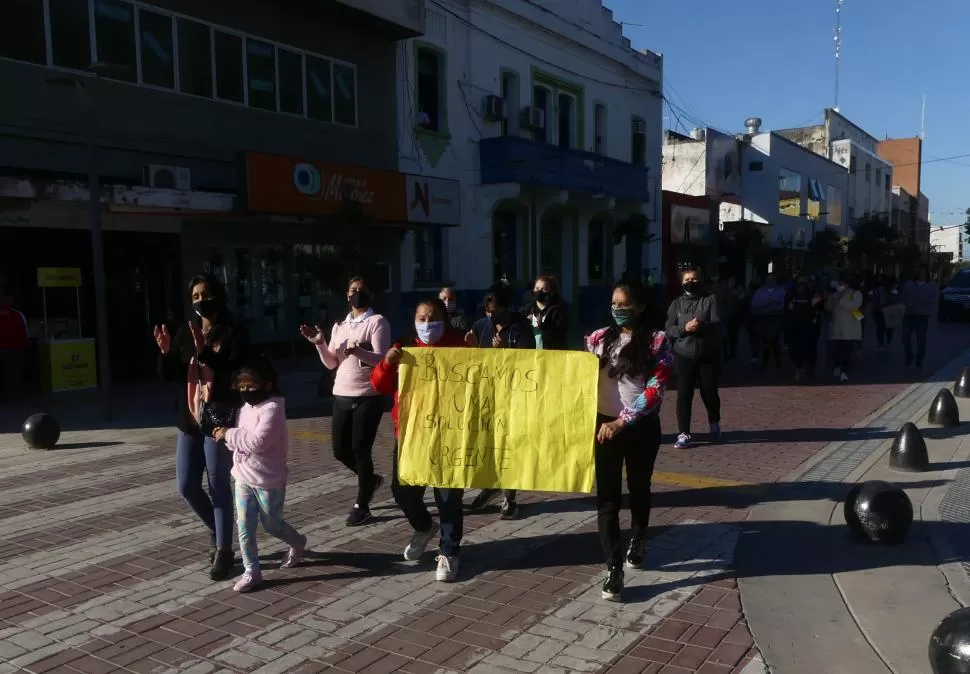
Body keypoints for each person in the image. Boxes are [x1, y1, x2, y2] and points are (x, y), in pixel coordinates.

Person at [154, 273, 249, 581]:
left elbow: (237, 372)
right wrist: (167, 353)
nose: (200, 301)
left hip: (219, 417)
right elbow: (171, 375)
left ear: (217, 296)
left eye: (204, 294)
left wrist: (204, 349)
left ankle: (224, 550)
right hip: (191, 417)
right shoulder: (187, 330)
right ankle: (217, 530)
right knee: (186, 485)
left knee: (218, 484)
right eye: (194, 296)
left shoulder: (234, 332)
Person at [585, 280, 672, 602]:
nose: (618, 310)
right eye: (613, 304)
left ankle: (638, 538)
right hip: (603, 428)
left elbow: (655, 389)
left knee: (638, 487)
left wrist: (624, 421)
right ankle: (613, 569)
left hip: (638, 428)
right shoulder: (597, 339)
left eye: (624, 304)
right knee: (607, 498)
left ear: (640, 306)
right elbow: (573, 376)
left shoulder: (658, 341)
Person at [371, 297, 467, 582]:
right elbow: (378, 385)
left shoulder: (461, 346)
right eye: (421, 319)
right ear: (414, 322)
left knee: (448, 496)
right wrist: (388, 363)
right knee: (402, 490)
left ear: (444, 319)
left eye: (433, 318)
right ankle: (424, 526)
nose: (427, 324)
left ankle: (449, 551)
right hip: (412, 434)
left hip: (449, 432)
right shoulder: (405, 350)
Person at [300, 277, 390, 527]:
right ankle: (370, 480)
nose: (356, 294)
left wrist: (358, 352)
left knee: (361, 450)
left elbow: (382, 360)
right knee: (340, 450)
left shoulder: (377, 322)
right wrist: (319, 343)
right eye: (352, 290)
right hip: (341, 393)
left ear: (369, 293)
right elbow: (332, 362)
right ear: (346, 294)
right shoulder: (340, 325)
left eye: (361, 290)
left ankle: (362, 505)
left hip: (368, 396)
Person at [212, 356, 307, 593]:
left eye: (250, 386)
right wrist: (229, 437)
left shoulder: (272, 409)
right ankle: (251, 571)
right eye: (241, 387)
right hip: (243, 477)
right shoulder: (245, 408)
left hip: (268, 480)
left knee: (272, 524)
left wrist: (228, 434)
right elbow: (239, 441)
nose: (245, 392)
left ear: (266, 384)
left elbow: (258, 442)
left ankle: (297, 541)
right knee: (244, 526)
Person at [467, 284, 535, 519]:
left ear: (506, 308)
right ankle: (491, 485)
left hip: (514, 394)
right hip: (487, 393)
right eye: (488, 313)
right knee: (488, 443)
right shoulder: (480, 326)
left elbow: (529, 361)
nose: (492, 317)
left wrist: (506, 349)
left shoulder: (521, 327)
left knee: (509, 445)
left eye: (495, 312)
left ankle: (509, 497)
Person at [665, 267, 721, 449]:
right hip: (684, 354)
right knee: (684, 394)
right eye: (687, 279)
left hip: (707, 354)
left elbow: (717, 324)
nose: (691, 281)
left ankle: (714, 422)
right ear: (682, 282)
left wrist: (701, 326)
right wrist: (684, 329)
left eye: (694, 278)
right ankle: (683, 433)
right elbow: (669, 329)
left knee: (709, 392)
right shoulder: (676, 304)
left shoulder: (709, 300)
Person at [825, 272, 863, 383]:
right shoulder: (836, 295)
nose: (840, 286)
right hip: (837, 327)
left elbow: (853, 306)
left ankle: (844, 371)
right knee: (836, 350)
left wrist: (839, 300)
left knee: (846, 351)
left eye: (842, 284)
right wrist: (831, 299)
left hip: (849, 328)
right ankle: (837, 366)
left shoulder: (855, 294)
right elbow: (828, 308)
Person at [787, 275, 824, 381]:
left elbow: (820, 307)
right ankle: (799, 367)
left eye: (805, 283)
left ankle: (809, 368)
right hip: (797, 325)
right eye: (800, 283)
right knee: (797, 347)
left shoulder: (813, 293)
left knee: (811, 347)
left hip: (811, 326)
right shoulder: (791, 294)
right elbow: (789, 308)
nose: (803, 286)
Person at [900, 266, 935, 370]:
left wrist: (924, 304)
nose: (922, 274)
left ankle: (919, 359)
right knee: (905, 336)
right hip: (909, 314)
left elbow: (933, 300)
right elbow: (902, 297)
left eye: (924, 273)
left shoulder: (931, 285)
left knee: (921, 339)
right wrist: (907, 304)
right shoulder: (909, 284)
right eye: (920, 272)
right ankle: (909, 357)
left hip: (922, 316)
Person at [749, 274, 786, 369]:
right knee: (765, 341)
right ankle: (765, 362)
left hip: (776, 319)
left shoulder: (781, 291)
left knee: (775, 340)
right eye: (768, 279)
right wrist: (767, 305)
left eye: (772, 279)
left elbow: (782, 307)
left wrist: (772, 308)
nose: (770, 281)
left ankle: (778, 360)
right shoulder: (759, 292)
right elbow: (754, 307)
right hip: (763, 319)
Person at [0, 288, 29, 402]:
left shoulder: (17, 315)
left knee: (13, 369)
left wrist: (23, 349)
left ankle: (11, 396)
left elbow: (24, 334)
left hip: (13, 351)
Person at [526, 275, 569, 350]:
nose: (539, 292)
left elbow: (560, 334)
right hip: (532, 356)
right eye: (537, 288)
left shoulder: (558, 311)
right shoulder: (528, 310)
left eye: (544, 290)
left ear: (551, 292)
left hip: (552, 355)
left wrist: (544, 327)